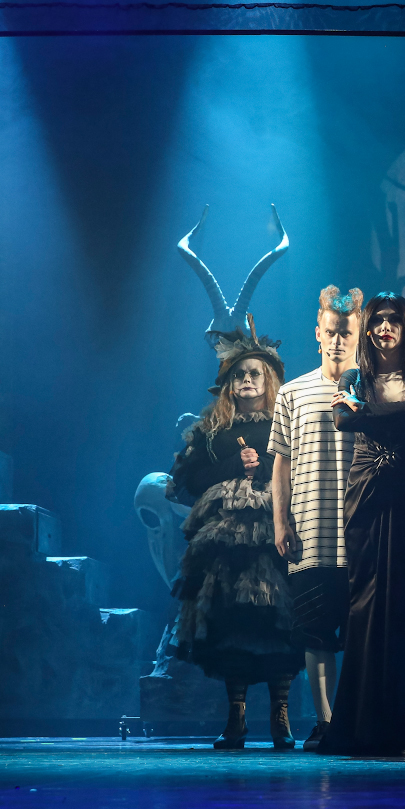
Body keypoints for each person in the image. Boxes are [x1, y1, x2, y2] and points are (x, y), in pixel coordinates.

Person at [318, 292, 405, 755]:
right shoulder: (354, 377)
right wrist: (388, 413)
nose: (385, 327)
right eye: (377, 320)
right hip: (366, 495)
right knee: (365, 600)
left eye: (394, 320)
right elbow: (342, 421)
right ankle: (360, 724)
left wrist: (366, 412)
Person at [169, 318, 303, 750]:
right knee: (229, 620)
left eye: (255, 374)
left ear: (269, 380)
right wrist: (232, 466)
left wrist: (264, 471)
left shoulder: (287, 423)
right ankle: (236, 717)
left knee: (280, 620)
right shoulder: (212, 431)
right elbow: (187, 480)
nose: (247, 380)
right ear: (229, 383)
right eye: (240, 374)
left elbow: (305, 469)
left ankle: (281, 714)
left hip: (277, 531)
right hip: (225, 544)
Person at [269, 285, 363, 752]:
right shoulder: (292, 392)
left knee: (363, 633)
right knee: (315, 633)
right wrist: (280, 523)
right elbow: (280, 465)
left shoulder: (372, 389)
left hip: (363, 533)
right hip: (311, 533)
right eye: (331, 331)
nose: (338, 340)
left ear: (358, 334)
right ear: (318, 333)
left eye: (346, 332)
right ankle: (325, 721)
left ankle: (356, 718)